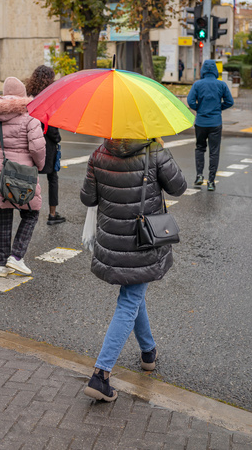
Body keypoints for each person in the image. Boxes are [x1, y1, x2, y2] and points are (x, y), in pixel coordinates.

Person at [80, 138, 187, 401]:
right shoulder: (154, 151)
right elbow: (179, 187)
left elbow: (87, 198)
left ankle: (148, 352)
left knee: (133, 294)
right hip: (143, 242)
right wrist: (162, 151)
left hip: (113, 242)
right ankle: (101, 374)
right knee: (130, 300)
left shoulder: (99, 154)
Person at [0, 77, 46, 277]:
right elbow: (37, 148)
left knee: (1, 217)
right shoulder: (30, 118)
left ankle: (2, 265)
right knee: (31, 212)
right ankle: (16, 257)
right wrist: (39, 166)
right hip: (23, 176)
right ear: (22, 95)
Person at [25, 66, 66, 225]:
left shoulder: (30, 95)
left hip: (31, 140)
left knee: (30, 177)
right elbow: (51, 124)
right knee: (52, 178)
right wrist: (57, 138)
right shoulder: (49, 97)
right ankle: (52, 214)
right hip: (47, 143)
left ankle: (28, 208)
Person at [187, 59, 234, 191]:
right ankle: (211, 181)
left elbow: (190, 101)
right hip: (215, 123)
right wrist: (219, 108)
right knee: (214, 152)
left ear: (202, 70)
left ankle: (199, 176)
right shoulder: (221, 85)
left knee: (200, 148)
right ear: (215, 70)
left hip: (201, 122)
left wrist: (199, 108)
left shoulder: (197, 84)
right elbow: (230, 101)